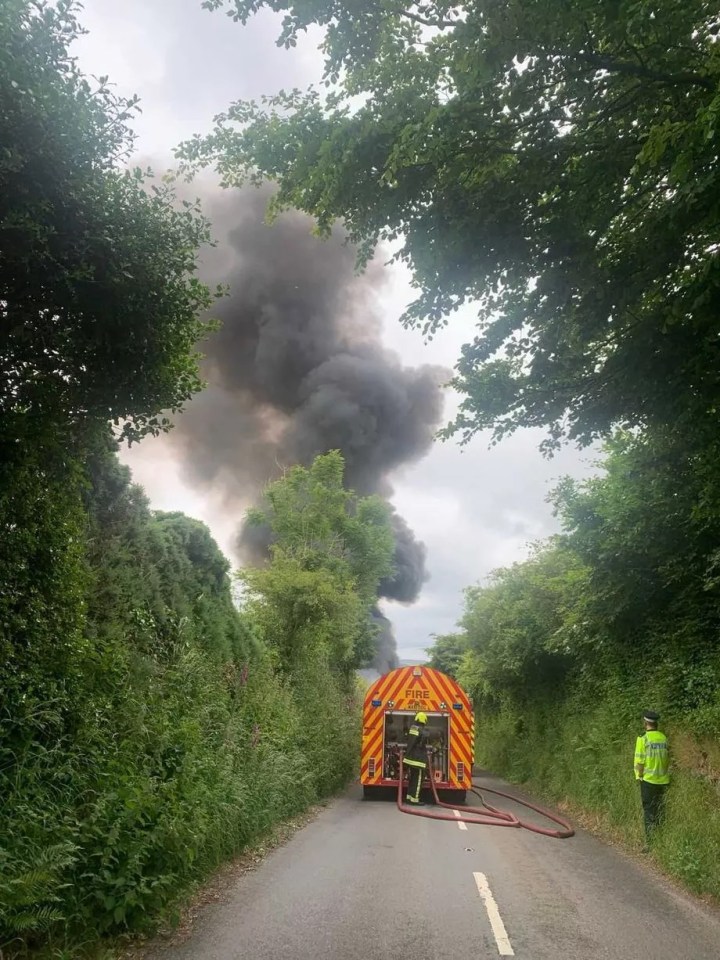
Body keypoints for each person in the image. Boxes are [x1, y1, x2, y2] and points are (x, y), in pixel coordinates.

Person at [634, 710, 670, 844]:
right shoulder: (663, 737)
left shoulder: (643, 738)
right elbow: (667, 759)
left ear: (645, 723)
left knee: (649, 812)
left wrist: (639, 776)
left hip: (648, 781)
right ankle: (662, 839)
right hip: (663, 780)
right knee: (661, 810)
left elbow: (640, 761)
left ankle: (650, 843)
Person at [403, 712, 429, 805]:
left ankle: (409, 797)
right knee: (418, 780)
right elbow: (423, 741)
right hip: (418, 760)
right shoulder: (422, 731)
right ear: (424, 720)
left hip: (410, 758)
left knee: (412, 779)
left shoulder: (413, 728)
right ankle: (415, 799)